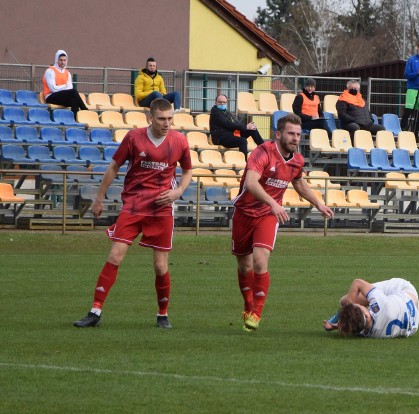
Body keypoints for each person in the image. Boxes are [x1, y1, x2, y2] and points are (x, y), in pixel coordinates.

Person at [73, 98, 193, 329]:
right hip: (134, 205)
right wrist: (99, 199)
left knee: (160, 265)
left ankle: (162, 314)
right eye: (161, 119)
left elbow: (187, 170)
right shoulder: (134, 137)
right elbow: (114, 167)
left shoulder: (179, 141)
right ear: (150, 118)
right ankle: (95, 311)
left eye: (170, 119)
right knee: (115, 256)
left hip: (161, 208)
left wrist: (178, 191)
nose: (167, 123)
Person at [231, 113, 334, 332]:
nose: (296, 138)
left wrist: (318, 203)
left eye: (298, 134)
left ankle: (256, 313)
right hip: (244, 213)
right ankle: (248, 305)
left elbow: (299, 184)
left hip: (268, 215)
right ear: (278, 134)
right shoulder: (262, 153)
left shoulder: (297, 160)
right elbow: (250, 183)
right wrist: (273, 202)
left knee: (259, 261)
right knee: (245, 266)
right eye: (291, 133)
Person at [323, 278, 419, 339]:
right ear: (366, 314)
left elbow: (355, 328)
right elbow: (357, 282)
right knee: (348, 300)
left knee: (344, 301)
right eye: (360, 307)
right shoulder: (380, 304)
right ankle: (344, 314)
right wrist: (350, 307)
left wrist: (344, 322)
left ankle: (342, 316)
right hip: (407, 294)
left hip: (414, 323)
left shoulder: (367, 334)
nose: (360, 305)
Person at [209, 93, 265, 158]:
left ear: (227, 103)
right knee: (242, 141)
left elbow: (235, 124)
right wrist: (246, 127)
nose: (222, 104)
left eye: (224, 102)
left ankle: (265, 149)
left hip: (231, 135)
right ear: (215, 102)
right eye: (220, 102)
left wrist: (248, 127)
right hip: (221, 138)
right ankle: (243, 162)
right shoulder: (215, 112)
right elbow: (227, 124)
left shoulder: (225, 112)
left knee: (252, 129)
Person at [41, 50, 88, 116]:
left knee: (74, 101)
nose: (63, 62)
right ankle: (85, 110)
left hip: (62, 96)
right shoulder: (50, 71)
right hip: (51, 96)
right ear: (57, 60)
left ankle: (74, 120)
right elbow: (53, 89)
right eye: (61, 60)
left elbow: (70, 87)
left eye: (64, 60)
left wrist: (63, 87)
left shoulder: (67, 73)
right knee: (73, 92)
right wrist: (65, 86)